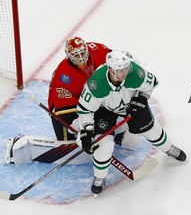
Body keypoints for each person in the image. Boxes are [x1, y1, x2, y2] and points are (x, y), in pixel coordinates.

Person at [4, 37, 138, 165]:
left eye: (82, 53)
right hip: (65, 107)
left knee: (118, 103)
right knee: (73, 134)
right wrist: (85, 130)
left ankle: (118, 135)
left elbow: (117, 61)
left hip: (93, 98)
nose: (81, 59)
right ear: (68, 55)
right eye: (76, 55)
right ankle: (23, 147)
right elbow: (65, 111)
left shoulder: (97, 49)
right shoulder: (63, 76)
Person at [76, 50, 187, 195]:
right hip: (105, 110)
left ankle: (169, 149)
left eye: (126, 69)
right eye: (121, 70)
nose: (125, 73)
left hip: (132, 104)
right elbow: (85, 110)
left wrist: (141, 99)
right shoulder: (96, 83)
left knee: (151, 130)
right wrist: (87, 131)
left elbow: (152, 83)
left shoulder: (135, 73)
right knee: (103, 145)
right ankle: (100, 177)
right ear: (110, 69)